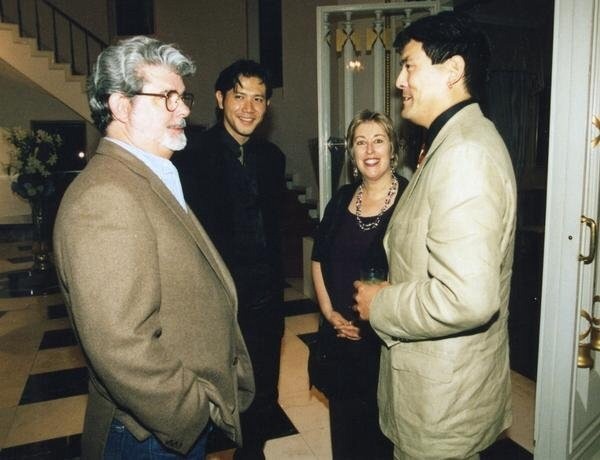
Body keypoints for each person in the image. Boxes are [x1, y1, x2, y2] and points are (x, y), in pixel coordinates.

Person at [53, 36, 254, 459]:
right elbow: (121, 345)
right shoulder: (106, 195)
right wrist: (191, 412)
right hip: (148, 434)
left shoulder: (146, 176)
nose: (182, 109)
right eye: (166, 97)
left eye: (182, 97)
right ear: (121, 106)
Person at [353, 12, 517, 460]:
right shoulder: (449, 142)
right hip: (435, 389)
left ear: (453, 70)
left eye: (409, 65)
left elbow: (467, 299)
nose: (400, 81)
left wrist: (380, 303)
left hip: (444, 404)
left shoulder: (464, 154)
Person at [174, 59, 286, 459]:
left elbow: (277, 230)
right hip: (213, 303)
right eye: (240, 96)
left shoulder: (273, 159)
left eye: (259, 98)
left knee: (264, 392)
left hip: (264, 300)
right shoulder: (189, 157)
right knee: (207, 396)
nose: (249, 107)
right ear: (221, 99)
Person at [311, 110, 408, 460]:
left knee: (379, 437)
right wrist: (328, 312)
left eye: (378, 140)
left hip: (383, 343)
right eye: (361, 142)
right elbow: (319, 257)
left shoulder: (409, 202)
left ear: (393, 149)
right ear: (352, 153)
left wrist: (375, 318)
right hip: (339, 338)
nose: (370, 149)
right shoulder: (341, 200)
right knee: (345, 435)